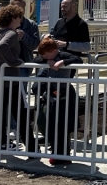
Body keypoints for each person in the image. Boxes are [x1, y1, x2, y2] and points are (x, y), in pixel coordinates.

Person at [0, 4, 36, 153]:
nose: (20, 20)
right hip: (11, 81)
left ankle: (2, 144)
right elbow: (3, 47)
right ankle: (32, 148)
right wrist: (14, 62)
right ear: (13, 18)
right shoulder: (12, 34)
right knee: (20, 114)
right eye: (19, 17)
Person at [35, 36, 83, 165]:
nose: (44, 57)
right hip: (52, 95)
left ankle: (64, 156)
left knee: (64, 126)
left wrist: (63, 63)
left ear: (53, 51)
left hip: (65, 94)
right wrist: (48, 63)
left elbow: (78, 59)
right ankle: (56, 152)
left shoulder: (63, 54)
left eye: (46, 54)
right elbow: (37, 59)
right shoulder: (46, 58)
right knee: (48, 123)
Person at [11, 0, 41, 68]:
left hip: (24, 64)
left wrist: (24, 36)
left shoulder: (32, 25)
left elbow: (34, 45)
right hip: (8, 64)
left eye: (22, 7)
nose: (20, 9)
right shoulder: (7, 23)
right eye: (17, 7)